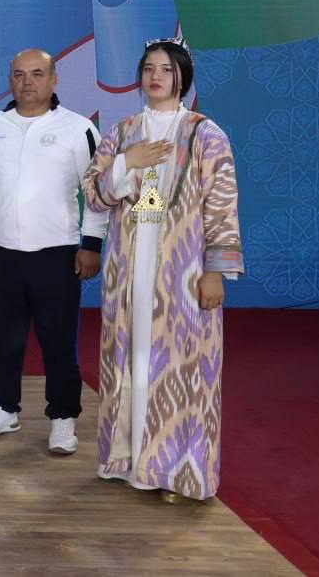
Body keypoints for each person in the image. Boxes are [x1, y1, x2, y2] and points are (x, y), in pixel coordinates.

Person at [82, 38, 243, 503]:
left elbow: (222, 204)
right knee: (129, 359)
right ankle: (128, 460)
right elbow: (93, 194)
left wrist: (215, 271)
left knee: (181, 367)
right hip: (129, 265)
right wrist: (126, 163)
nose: (156, 76)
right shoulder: (123, 131)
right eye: (149, 68)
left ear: (182, 78)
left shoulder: (204, 133)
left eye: (167, 70)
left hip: (183, 268)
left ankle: (179, 472)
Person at [0, 49, 106, 454]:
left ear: (54, 79)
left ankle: (63, 417)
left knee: (58, 340)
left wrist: (92, 244)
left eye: (37, 74)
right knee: (3, 337)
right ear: (10, 80)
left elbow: (97, 191)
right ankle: (4, 407)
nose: (27, 82)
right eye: (19, 75)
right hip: (0, 251)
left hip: (57, 253)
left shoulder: (77, 128)